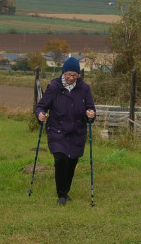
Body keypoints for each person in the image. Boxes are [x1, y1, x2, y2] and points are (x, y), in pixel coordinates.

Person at [35, 56, 96, 205]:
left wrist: (91, 114)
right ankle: (61, 194)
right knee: (61, 160)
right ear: (63, 73)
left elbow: (91, 108)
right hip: (58, 131)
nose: (70, 78)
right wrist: (40, 115)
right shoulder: (54, 87)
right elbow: (41, 106)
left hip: (77, 131)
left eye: (74, 75)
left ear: (78, 75)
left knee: (72, 162)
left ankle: (65, 190)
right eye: (68, 74)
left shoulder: (84, 88)